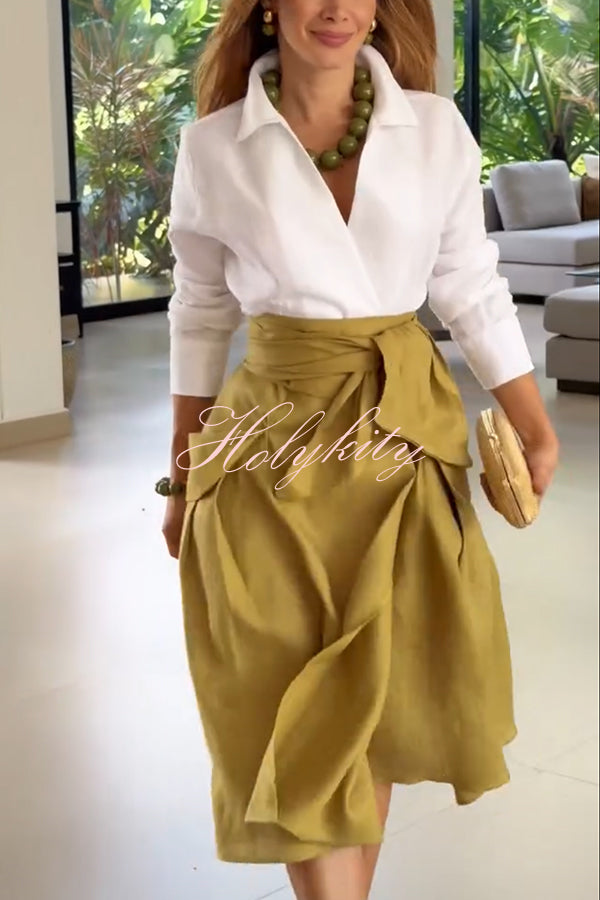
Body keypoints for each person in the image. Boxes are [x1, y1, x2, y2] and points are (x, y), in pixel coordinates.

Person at [160, 2, 560, 898]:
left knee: (370, 706)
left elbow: (469, 285)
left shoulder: (435, 130)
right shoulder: (213, 147)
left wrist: (532, 422)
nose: (337, 9)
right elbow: (200, 312)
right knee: (285, 697)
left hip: (401, 443)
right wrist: (180, 478)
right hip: (265, 453)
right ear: (269, 6)